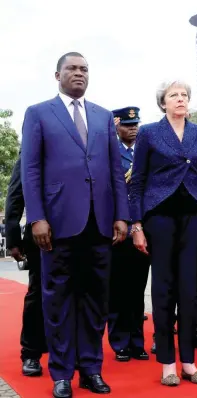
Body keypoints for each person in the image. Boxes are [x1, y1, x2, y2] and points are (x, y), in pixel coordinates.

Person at [21, 52, 130, 398]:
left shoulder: (102, 116)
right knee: (58, 302)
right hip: (57, 224)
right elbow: (31, 169)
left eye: (84, 69)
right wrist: (37, 217)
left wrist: (122, 215)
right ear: (58, 75)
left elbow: (115, 171)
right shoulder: (39, 113)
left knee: (96, 301)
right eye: (72, 68)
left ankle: (91, 370)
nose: (79, 74)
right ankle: (62, 373)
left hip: (99, 224)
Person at [129, 80, 197, 386]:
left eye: (184, 95)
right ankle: (168, 363)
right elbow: (137, 182)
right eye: (173, 96)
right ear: (163, 103)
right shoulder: (149, 133)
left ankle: (189, 363)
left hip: (194, 217)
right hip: (160, 217)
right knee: (163, 289)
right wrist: (137, 225)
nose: (180, 99)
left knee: (191, 291)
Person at [107, 107, 150, 362]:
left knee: (137, 290)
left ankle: (137, 341)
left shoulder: (144, 153)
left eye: (136, 124)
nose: (133, 128)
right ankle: (120, 342)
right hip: (119, 229)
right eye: (127, 124)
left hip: (142, 229)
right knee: (117, 290)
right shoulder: (111, 152)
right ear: (116, 126)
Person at [5, 157, 47, 377]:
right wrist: (13, 239)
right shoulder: (29, 153)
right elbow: (15, 196)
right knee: (37, 294)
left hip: (74, 236)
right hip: (39, 237)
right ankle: (31, 352)